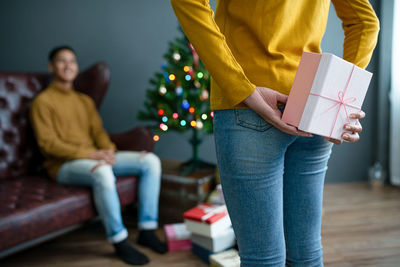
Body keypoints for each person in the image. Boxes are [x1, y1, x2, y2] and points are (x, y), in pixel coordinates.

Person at [170, 0, 379, 266]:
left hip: (248, 107)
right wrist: (338, 99)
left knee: (263, 260)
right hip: (313, 104)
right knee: (307, 256)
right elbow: (365, 22)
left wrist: (243, 89)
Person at [30, 46, 167, 266]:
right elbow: (48, 145)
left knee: (150, 161)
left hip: (94, 157)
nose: (68, 66)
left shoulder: (84, 101)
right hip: (63, 166)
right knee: (103, 173)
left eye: (72, 61)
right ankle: (119, 239)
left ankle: (147, 229)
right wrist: (93, 155)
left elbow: (99, 133)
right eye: (62, 61)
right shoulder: (42, 102)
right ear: (51, 67)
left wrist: (109, 152)